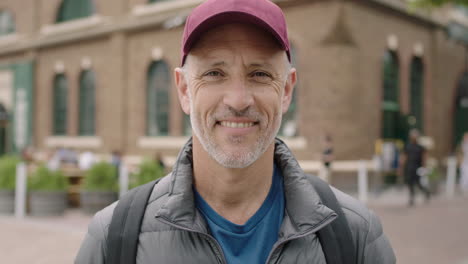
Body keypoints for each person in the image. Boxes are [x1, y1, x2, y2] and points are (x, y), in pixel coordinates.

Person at [75, 0, 395, 263]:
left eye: (259, 73)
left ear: (286, 90)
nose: (238, 100)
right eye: (215, 73)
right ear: (184, 89)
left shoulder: (354, 235)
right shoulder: (114, 238)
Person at [400, 129, 431, 206]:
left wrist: (424, 166)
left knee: (418, 183)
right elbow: (404, 157)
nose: (414, 137)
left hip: (417, 167)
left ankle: (426, 192)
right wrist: (401, 167)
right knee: (410, 183)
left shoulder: (420, 147)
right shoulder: (407, 146)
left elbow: (424, 157)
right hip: (409, 167)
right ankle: (411, 198)